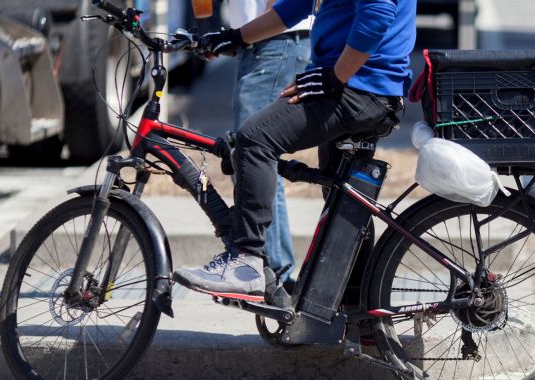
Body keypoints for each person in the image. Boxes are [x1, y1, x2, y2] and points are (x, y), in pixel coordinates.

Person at [173, 0, 416, 298]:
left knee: (255, 138)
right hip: (361, 84)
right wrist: (235, 37)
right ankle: (358, 314)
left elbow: (377, 14)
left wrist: (334, 77)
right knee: (343, 203)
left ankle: (245, 260)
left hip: (359, 85)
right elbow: (297, 5)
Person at [225, 0, 312, 285]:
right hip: (262, 40)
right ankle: (272, 271)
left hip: (274, 40)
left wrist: (246, 32)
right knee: (252, 156)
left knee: (253, 153)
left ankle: (274, 276)